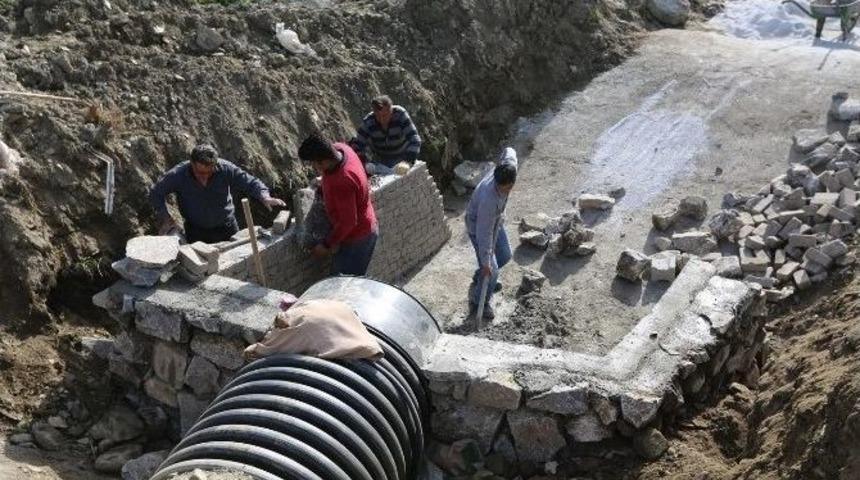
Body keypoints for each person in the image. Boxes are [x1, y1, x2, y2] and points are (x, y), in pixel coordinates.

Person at [149, 143, 285, 243]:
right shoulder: (178, 175)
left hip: (227, 228)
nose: (205, 177)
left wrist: (264, 196)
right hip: (196, 232)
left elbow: (250, 182)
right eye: (200, 173)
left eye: (209, 172)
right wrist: (165, 218)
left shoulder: (225, 169)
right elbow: (156, 193)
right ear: (192, 163)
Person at [298, 132, 378, 276]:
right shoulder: (341, 149)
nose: (314, 167)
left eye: (314, 163)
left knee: (344, 286)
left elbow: (348, 222)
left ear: (323, 162)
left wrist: (326, 244)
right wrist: (323, 185)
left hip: (357, 239)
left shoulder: (343, 181)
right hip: (362, 228)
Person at [465, 147, 518, 320]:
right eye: (501, 189)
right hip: (478, 225)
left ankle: (480, 278)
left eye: (507, 188)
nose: (503, 191)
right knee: (492, 270)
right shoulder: (489, 199)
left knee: (505, 255)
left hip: (496, 220)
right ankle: (478, 302)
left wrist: (503, 156)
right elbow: (484, 234)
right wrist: (486, 262)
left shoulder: (509, 166)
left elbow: (509, 150)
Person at [353, 95, 422, 176]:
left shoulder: (400, 114)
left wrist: (407, 161)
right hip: (382, 161)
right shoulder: (368, 122)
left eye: (385, 115)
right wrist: (366, 162)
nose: (382, 120)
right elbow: (357, 145)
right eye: (378, 116)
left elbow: (415, 140)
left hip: (403, 156)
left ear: (391, 110)